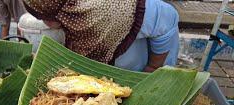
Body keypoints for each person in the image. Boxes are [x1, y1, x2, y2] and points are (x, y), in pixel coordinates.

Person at [22, 0, 179, 72]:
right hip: (115, 76)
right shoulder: (70, 15)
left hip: (146, 72)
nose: (44, 23)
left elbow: (168, 17)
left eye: (43, 17)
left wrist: (153, 67)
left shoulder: (107, 10)